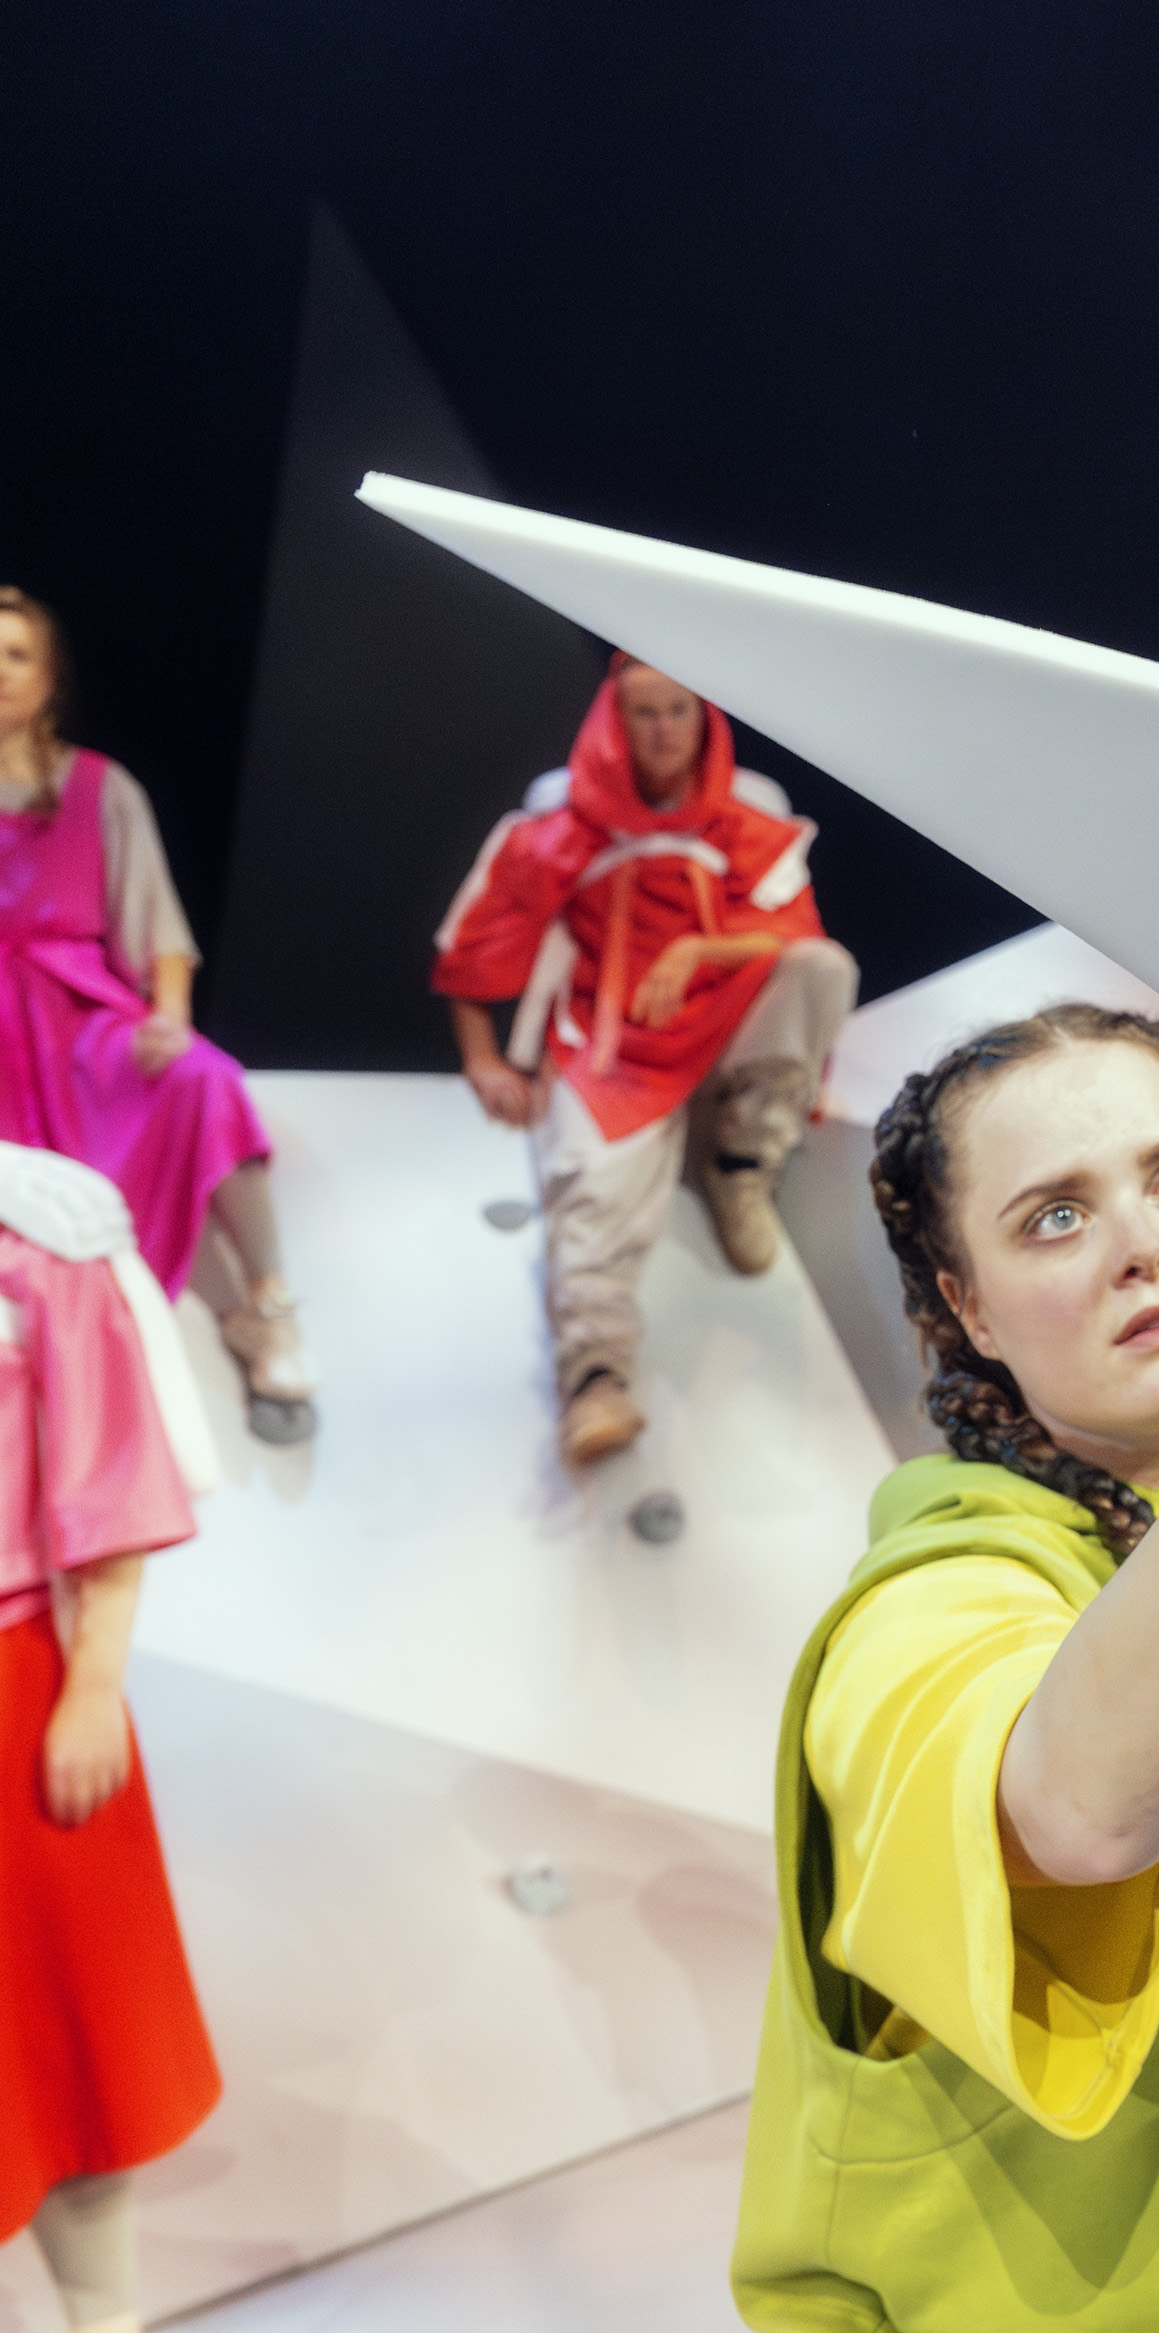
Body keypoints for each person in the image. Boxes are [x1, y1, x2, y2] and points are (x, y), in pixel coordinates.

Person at [731, 1006, 1159, 2332]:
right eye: (1054, 1216)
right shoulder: (931, 1597)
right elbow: (1087, 1810)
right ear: (967, 1308)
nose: (1145, 1243)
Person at [432, 658, 858, 1469]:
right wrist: (482, 1057)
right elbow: (479, 939)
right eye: (645, 713)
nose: (664, 730)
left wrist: (701, 947)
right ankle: (596, 1375)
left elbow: (796, 932)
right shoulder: (567, 823)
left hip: (722, 1021)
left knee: (821, 968)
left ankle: (741, 1162)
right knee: (593, 1187)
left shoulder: (742, 819)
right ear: (615, 722)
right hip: (615, 1041)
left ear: (705, 718)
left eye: (679, 709)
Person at [0, 588, 313, 1445]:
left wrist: (170, 1017)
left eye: (16, 654)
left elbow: (158, 927)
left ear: (51, 678)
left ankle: (267, 1308)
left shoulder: (101, 788)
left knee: (203, 1077)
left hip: (73, 1015)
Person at [0, 1145, 219, 2333]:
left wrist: (91, 1682)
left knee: (71, 2052)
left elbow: (113, 1468)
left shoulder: (41, 1227)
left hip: (20, 1681)